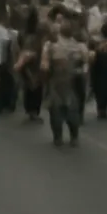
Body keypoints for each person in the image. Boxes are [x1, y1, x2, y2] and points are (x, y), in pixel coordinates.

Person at [41, 16, 89, 147]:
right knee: (57, 111)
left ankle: (72, 137)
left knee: (71, 110)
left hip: (71, 81)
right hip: (58, 80)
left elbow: (86, 64)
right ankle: (59, 137)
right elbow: (44, 64)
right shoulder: (51, 45)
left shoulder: (79, 46)